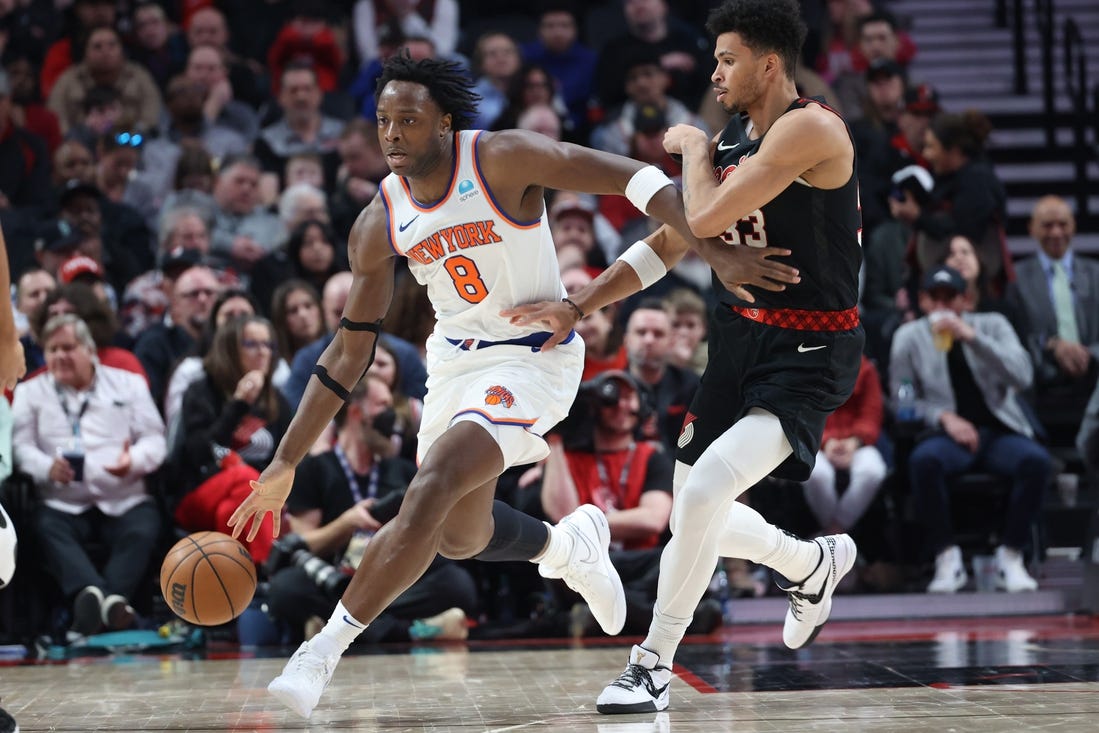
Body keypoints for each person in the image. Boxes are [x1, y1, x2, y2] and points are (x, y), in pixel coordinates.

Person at [228, 52, 795, 720]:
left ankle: (320, 651)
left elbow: (635, 178)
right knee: (456, 534)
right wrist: (286, 459)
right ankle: (568, 547)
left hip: (534, 353)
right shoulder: (377, 221)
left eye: (408, 120)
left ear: (444, 121)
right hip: (454, 363)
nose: (391, 135)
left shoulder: (501, 158)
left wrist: (711, 244)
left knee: (433, 482)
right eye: (383, 120)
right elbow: (350, 351)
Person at [506, 0, 862, 713]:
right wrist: (579, 306)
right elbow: (670, 243)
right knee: (692, 517)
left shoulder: (811, 128)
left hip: (810, 346)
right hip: (737, 339)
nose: (714, 71)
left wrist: (691, 151)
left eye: (727, 59)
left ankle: (650, 665)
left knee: (698, 498)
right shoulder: (736, 136)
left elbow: (697, 219)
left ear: (767, 64)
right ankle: (810, 562)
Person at [890, 266, 1051, 594]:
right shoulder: (907, 337)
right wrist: (943, 417)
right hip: (945, 437)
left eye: (951, 298)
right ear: (923, 301)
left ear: (967, 299)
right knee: (924, 462)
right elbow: (903, 402)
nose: (943, 306)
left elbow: (1023, 376)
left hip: (998, 431)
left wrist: (974, 339)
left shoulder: (993, 325)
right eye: (936, 298)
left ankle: (1012, 555)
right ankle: (946, 556)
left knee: (1036, 462)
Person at [12, 314, 167, 635]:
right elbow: (21, 447)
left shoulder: (128, 384)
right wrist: (46, 468)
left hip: (123, 495)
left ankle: (98, 604)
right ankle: (101, 598)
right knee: (45, 526)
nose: (59, 356)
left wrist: (133, 460)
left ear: (90, 349)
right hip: (63, 501)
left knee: (143, 526)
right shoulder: (31, 392)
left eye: (68, 347)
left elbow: (155, 439)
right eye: (52, 349)